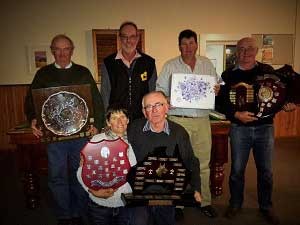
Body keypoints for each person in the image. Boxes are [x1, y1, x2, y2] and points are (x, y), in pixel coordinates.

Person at [25, 34, 105, 225]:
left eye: (66, 49)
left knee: (79, 174)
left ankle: (79, 213)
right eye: (58, 49)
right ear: (52, 51)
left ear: (72, 50)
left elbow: (96, 100)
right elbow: (31, 100)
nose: (62, 53)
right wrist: (33, 118)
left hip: (80, 135)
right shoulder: (43, 74)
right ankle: (64, 215)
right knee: (57, 176)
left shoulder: (83, 72)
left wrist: (98, 124)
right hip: (54, 138)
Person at [219, 37, 296, 225]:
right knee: (237, 170)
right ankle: (235, 204)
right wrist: (236, 114)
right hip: (239, 129)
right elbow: (220, 103)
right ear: (237, 51)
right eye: (242, 49)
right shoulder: (227, 75)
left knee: (266, 171)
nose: (246, 53)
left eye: (250, 49)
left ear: (257, 50)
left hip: (265, 128)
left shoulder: (268, 72)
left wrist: (287, 104)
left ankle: (266, 207)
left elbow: (280, 96)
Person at [156, 29, 219, 218]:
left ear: (196, 44)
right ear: (179, 46)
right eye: (184, 44)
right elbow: (159, 91)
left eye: (191, 43)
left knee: (203, 163)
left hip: (201, 120)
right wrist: (167, 99)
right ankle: (178, 205)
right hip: (178, 120)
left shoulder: (206, 64)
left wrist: (216, 89)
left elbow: (217, 83)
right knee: (177, 163)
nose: (188, 47)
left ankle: (204, 201)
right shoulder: (170, 66)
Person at [127, 91, 202, 225]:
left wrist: (196, 188)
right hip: (140, 192)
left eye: (159, 105)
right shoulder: (134, 129)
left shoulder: (179, 133)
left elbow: (191, 161)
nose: (154, 110)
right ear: (144, 112)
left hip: (167, 192)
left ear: (167, 107)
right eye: (149, 107)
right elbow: (117, 144)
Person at [77, 104, 137, 225]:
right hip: (100, 205)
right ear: (108, 122)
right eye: (114, 118)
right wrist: (91, 190)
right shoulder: (96, 141)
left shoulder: (134, 141)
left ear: (128, 120)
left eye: (123, 116)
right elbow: (81, 172)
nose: (120, 121)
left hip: (125, 203)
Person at [101, 21, 157, 122]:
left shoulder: (149, 62)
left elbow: (153, 91)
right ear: (120, 38)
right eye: (124, 37)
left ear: (137, 38)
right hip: (117, 120)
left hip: (142, 119)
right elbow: (105, 93)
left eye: (132, 37)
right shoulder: (108, 63)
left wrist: (152, 116)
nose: (128, 41)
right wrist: (107, 118)